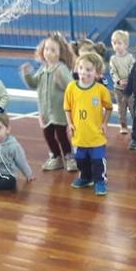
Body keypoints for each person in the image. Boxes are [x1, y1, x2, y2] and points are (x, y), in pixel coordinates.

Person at [20, 34, 77, 172]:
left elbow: (71, 87)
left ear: (60, 53)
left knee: (61, 136)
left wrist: (62, 82)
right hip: (45, 112)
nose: (48, 52)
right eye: (46, 49)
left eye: (53, 50)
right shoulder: (43, 69)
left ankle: (69, 157)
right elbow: (33, 84)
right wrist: (27, 74)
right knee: (48, 135)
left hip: (59, 112)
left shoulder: (61, 69)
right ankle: (56, 157)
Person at [64, 52, 113, 195]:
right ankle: (85, 178)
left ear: (97, 73)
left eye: (88, 69)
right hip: (79, 135)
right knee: (80, 160)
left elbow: (109, 108)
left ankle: (100, 181)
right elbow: (67, 108)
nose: (84, 72)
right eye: (81, 68)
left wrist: (105, 123)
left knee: (97, 160)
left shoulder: (101, 90)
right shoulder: (71, 88)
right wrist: (70, 123)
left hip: (96, 135)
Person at [109, 30, 135, 135]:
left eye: (119, 43)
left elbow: (132, 69)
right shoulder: (113, 59)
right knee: (121, 108)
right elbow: (113, 72)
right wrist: (119, 81)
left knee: (132, 106)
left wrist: (129, 80)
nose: (117, 46)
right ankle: (123, 125)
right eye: (114, 43)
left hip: (130, 88)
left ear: (126, 45)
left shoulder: (130, 57)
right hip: (118, 88)